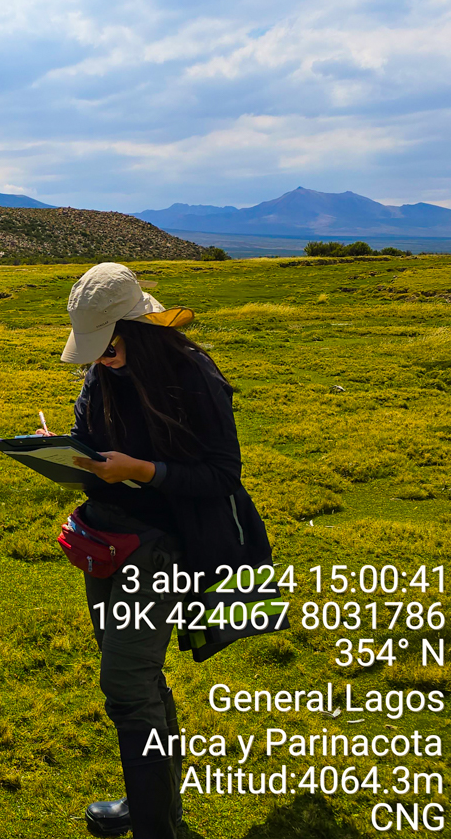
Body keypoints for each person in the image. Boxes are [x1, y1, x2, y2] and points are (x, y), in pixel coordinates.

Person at [40, 263, 283, 839]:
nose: (100, 360)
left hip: (165, 550)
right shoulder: (101, 376)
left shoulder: (192, 375)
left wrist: (142, 471)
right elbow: (97, 451)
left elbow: (222, 476)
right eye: (95, 351)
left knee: (126, 686)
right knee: (141, 683)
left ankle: (153, 826)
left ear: (141, 331)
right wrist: (66, 455)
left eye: (109, 348)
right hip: (107, 541)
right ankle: (155, 805)